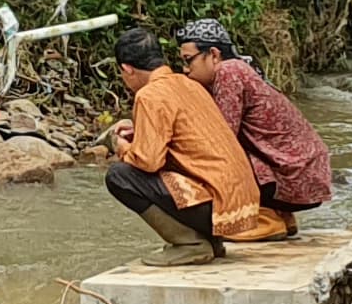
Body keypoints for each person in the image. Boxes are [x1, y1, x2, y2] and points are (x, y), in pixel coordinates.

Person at [104, 27, 287, 258]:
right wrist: (140, 133)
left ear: (127, 69)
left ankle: (190, 244)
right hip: (246, 208)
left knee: (119, 175)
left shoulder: (149, 95)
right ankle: (212, 242)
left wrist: (122, 148)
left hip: (219, 207)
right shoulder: (191, 84)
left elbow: (148, 162)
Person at [175, 17, 335, 221]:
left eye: (189, 60)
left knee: (204, 159)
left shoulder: (228, 71)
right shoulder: (239, 69)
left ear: (214, 54)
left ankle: (257, 222)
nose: (185, 69)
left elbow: (222, 139)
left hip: (296, 176)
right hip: (306, 174)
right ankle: (278, 217)